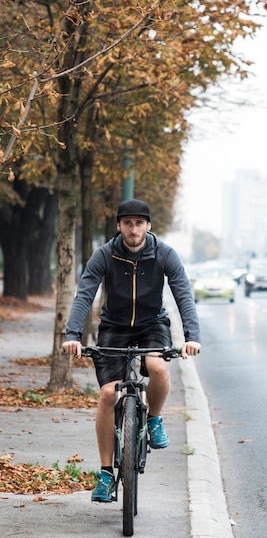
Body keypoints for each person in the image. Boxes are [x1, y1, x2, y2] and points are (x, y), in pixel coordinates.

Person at [63, 199, 201, 502]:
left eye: (139, 223)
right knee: (108, 394)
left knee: (159, 368)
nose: (133, 228)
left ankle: (153, 419)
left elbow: (183, 294)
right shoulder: (105, 254)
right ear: (119, 226)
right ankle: (105, 474)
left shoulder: (164, 254)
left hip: (152, 324)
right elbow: (85, 293)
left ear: (148, 226)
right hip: (114, 326)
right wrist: (72, 335)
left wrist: (192, 336)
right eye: (128, 223)